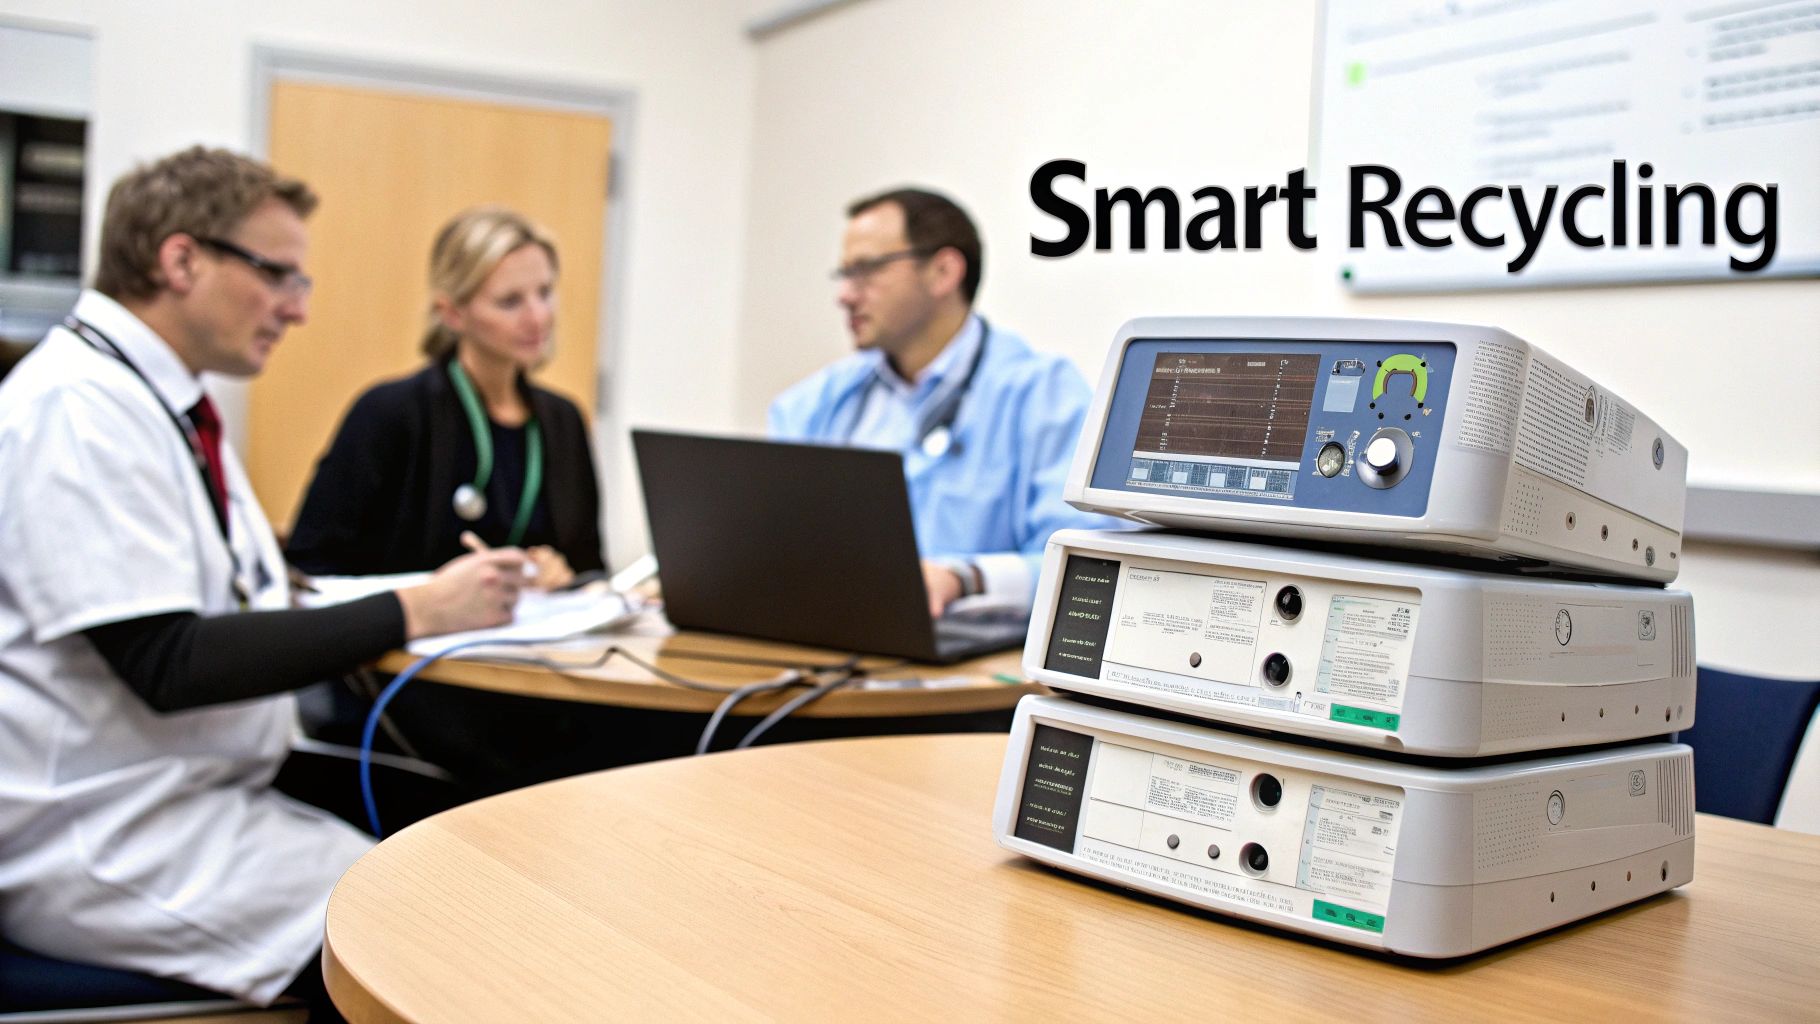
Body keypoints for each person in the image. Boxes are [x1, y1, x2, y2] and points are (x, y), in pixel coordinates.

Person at [0, 146, 528, 1010]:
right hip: (109, 830)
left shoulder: (165, 404)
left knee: (464, 832)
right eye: (278, 274)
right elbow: (167, 661)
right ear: (181, 261)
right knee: (423, 939)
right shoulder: (74, 408)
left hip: (188, 786)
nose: (298, 307)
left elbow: (246, 592)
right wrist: (414, 608)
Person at [769, 187, 1111, 616]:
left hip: (975, 649)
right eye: (844, 275)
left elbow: (1088, 565)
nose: (845, 295)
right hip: (826, 636)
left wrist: (961, 578)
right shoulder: (811, 406)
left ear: (943, 272)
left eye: (866, 270)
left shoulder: (1043, 395)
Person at [286, 206, 604, 587]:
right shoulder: (389, 413)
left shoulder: (563, 421)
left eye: (545, 293)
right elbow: (311, 566)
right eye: (510, 301)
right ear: (451, 312)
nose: (538, 318)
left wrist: (561, 575)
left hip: (534, 626)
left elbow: (590, 567)